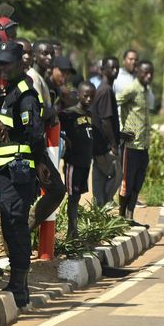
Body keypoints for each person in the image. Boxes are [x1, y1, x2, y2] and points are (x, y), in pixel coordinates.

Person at [0, 42, 43, 306]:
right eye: (0, 63)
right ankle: (17, 282)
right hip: (3, 170)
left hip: (17, 171)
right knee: (9, 225)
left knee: (15, 223)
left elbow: (34, 134)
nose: (3, 68)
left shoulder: (25, 95)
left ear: (20, 65)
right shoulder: (6, 92)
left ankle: (20, 285)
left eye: (7, 63)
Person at [27, 42, 66, 229]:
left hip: (39, 142)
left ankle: (25, 229)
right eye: (44, 54)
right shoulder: (33, 78)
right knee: (57, 189)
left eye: (51, 54)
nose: (49, 58)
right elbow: (37, 112)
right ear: (34, 55)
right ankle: (25, 228)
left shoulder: (42, 78)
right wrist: (52, 112)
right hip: (32, 144)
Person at [117, 59, 156, 224]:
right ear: (138, 72)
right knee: (127, 182)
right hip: (131, 146)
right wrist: (120, 129)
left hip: (144, 145)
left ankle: (130, 215)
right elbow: (115, 104)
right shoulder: (132, 89)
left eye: (151, 73)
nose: (148, 76)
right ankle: (120, 216)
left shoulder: (147, 92)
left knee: (138, 183)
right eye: (145, 73)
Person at [59, 81, 96, 240]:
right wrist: (64, 137)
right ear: (79, 95)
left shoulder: (89, 115)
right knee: (72, 196)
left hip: (85, 162)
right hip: (73, 162)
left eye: (91, 97)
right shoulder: (68, 113)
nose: (88, 99)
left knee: (78, 195)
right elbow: (53, 125)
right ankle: (71, 231)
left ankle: (74, 231)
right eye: (86, 96)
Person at [90, 56, 121, 206]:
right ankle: (104, 203)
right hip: (105, 146)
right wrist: (114, 144)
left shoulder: (102, 89)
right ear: (103, 70)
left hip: (98, 145)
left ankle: (99, 208)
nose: (115, 71)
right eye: (111, 68)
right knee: (117, 175)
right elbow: (105, 120)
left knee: (100, 178)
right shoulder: (106, 90)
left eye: (117, 67)